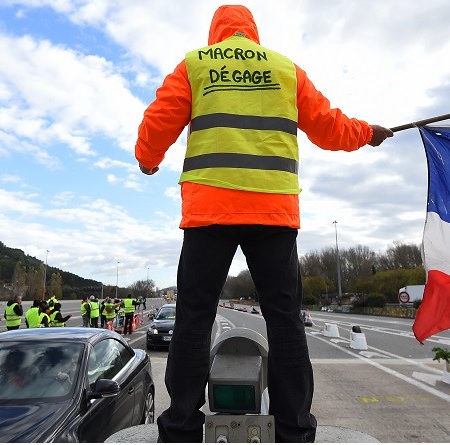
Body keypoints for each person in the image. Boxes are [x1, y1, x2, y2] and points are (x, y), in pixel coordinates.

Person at [134, 5, 392, 442]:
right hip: (273, 215)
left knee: (194, 317)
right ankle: (294, 428)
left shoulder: (196, 64)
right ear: (253, 32)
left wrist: (147, 159)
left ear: (216, 32)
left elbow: (159, 120)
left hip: (210, 211)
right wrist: (368, 132)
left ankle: (180, 426)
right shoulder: (285, 69)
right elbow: (329, 127)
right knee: (285, 319)